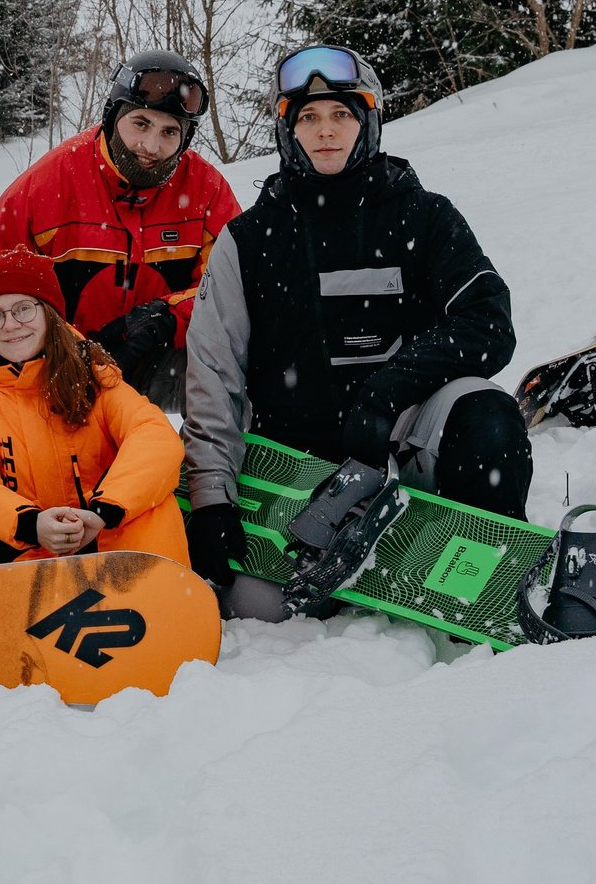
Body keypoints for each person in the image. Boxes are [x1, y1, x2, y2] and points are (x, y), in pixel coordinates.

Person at [183, 46, 530, 611]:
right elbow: (213, 377)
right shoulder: (246, 240)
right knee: (262, 613)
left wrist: (385, 394)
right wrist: (210, 499)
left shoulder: (424, 215)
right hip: (295, 475)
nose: (326, 131)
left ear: (368, 121)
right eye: (309, 117)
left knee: (487, 412)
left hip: (404, 450)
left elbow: (488, 321)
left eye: (341, 114)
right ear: (288, 130)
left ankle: (486, 570)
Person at [0, 51, 241, 411]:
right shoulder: (42, 188)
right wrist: (68, 347)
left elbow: (230, 290)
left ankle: (209, 447)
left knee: (242, 365)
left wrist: (162, 319)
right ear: (112, 116)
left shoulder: (206, 189)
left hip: (162, 361)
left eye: (169, 132)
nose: (151, 147)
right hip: (62, 367)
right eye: (141, 124)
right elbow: (0, 296)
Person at [0, 250, 191, 567]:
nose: (10, 325)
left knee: (151, 505)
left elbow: (154, 436)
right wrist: (31, 524)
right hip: (32, 549)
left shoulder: (95, 376)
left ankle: (159, 590)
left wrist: (105, 510)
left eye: (24, 309)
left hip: (110, 538)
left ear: (50, 315)